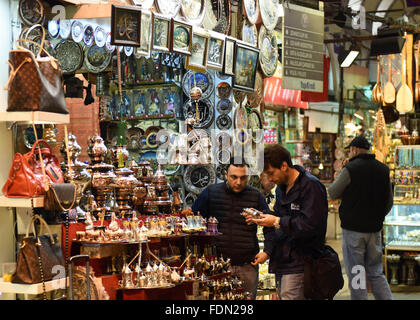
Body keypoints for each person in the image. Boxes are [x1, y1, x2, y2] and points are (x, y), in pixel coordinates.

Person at [244, 144, 328, 300]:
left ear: (284, 166)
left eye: (271, 173)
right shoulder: (281, 189)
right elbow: (279, 220)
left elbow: (310, 226)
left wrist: (276, 221)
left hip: (302, 262)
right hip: (283, 261)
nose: (269, 179)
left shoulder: (310, 186)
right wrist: (263, 219)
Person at [192, 157, 269, 299]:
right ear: (226, 174)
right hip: (217, 266)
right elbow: (194, 222)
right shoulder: (211, 193)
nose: (238, 182)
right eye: (234, 177)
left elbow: (270, 228)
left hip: (247, 265)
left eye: (243, 178)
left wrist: (267, 252)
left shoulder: (256, 196)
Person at [328, 136, 393, 300]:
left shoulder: (351, 169)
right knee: (376, 272)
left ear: (354, 150)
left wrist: (343, 171)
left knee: (357, 272)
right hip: (375, 230)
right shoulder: (383, 170)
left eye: (349, 151)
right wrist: (376, 218)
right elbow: (389, 202)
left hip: (353, 231)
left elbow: (333, 192)